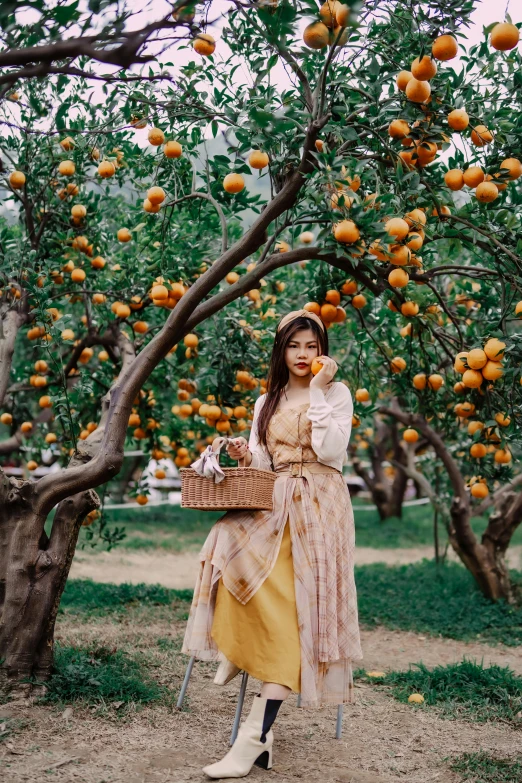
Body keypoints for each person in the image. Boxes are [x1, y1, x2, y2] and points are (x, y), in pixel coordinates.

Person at [182, 308, 362, 779]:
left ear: (322, 350)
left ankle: (255, 735)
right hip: (276, 499)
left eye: (312, 346)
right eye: (294, 346)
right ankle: (245, 656)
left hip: (321, 503)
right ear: (281, 351)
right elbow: (265, 464)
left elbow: (331, 451)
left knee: (298, 609)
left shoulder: (336, 393)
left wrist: (321, 392)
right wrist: (248, 453)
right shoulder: (268, 400)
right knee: (225, 541)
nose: (304, 355)